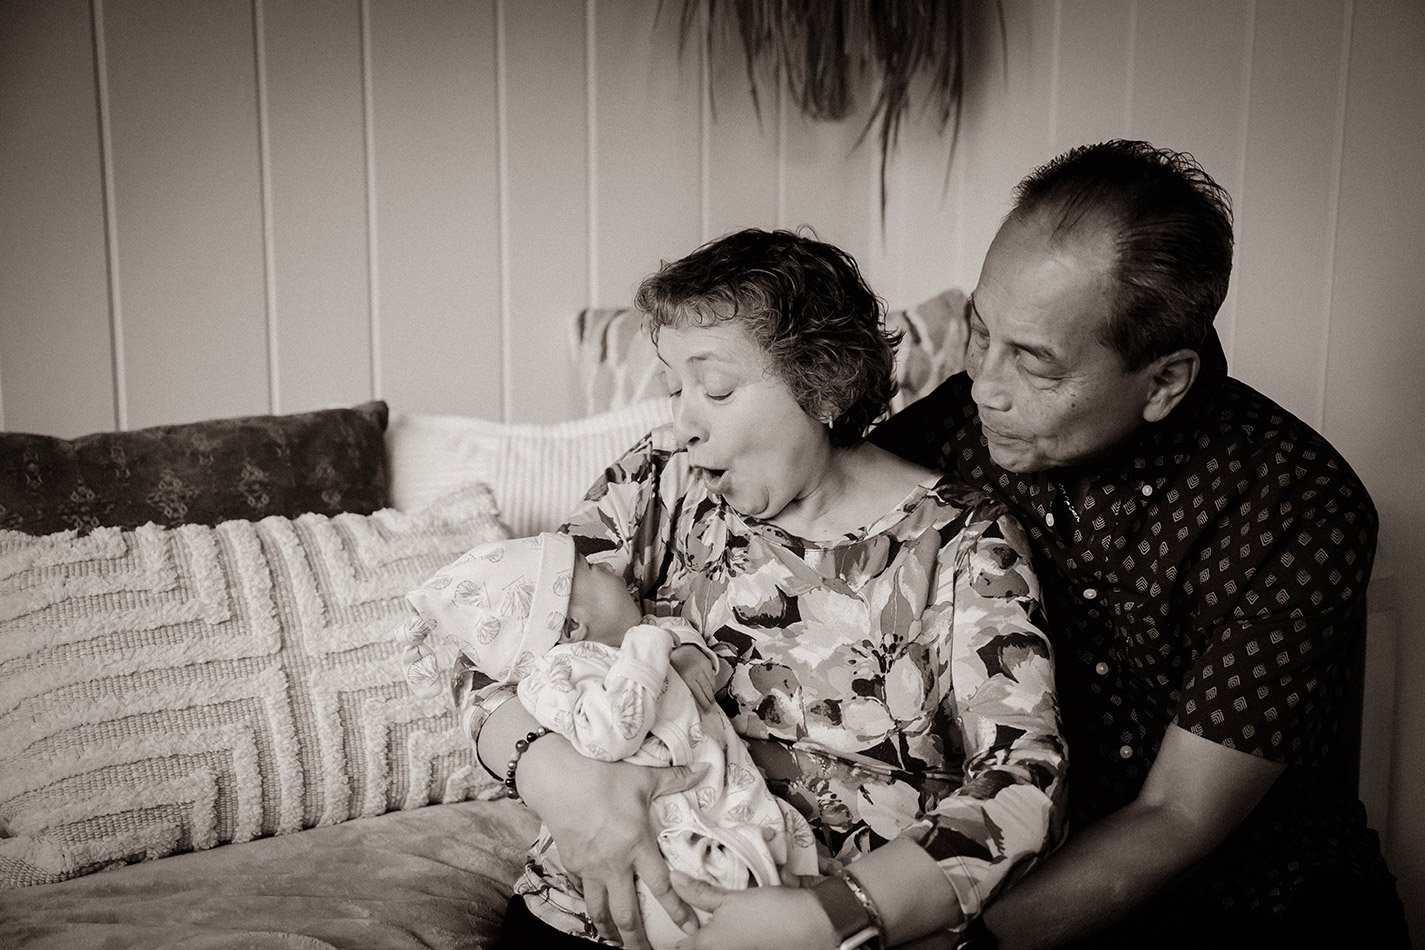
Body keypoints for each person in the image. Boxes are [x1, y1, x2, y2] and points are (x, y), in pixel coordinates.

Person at [461, 227, 1068, 949]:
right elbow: (497, 631)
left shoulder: (961, 545)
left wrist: (833, 915)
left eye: (714, 389)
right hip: (590, 905)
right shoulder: (664, 479)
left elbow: (1024, 784)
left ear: (825, 384)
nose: (682, 423)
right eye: (673, 387)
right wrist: (558, 780)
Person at [868, 139, 1409, 947]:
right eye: (980, 334)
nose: (984, 386)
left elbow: (1177, 817)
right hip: (1007, 868)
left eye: (1036, 367)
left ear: (1163, 382)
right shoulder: (951, 429)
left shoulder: (1297, 503)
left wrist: (944, 943)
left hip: (1254, 902)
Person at [397, 530, 818, 949]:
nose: (615, 571)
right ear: (572, 625)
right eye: (595, 570)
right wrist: (647, 651)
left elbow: (674, 632)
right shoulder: (554, 678)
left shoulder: (645, 633)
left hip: (719, 792)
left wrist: (686, 652)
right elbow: (609, 735)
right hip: (656, 829)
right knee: (711, 893)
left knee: (774, 858)